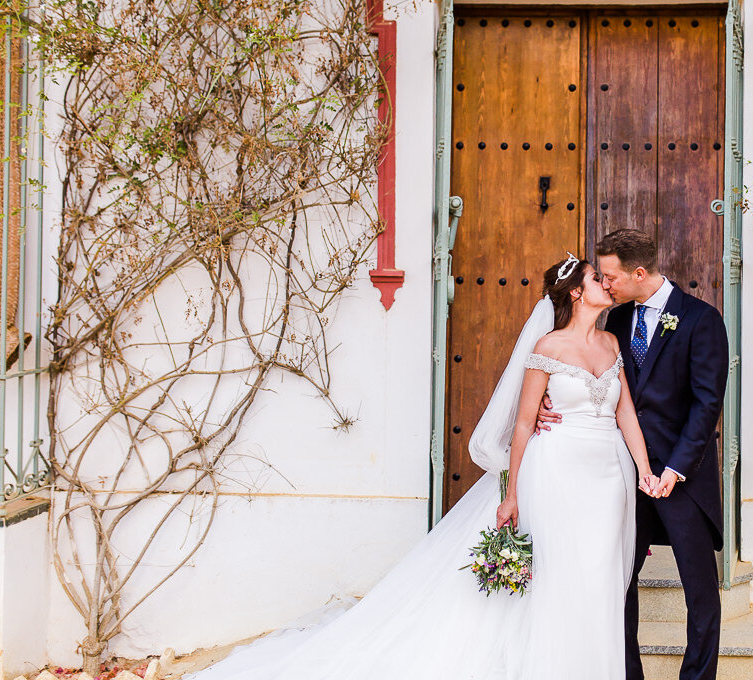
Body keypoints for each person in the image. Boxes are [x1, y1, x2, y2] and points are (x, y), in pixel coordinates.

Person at [180, 254, 659, 680]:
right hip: (554, 473)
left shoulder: (613, 345)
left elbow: (627, 416)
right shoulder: (550, 348)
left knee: (598, 578)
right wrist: (511, 494)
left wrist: (643, 471)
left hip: (605, 477)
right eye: (600, 279)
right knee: (559, 574)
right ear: (577, 292)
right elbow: (521, 426)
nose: (608, 286)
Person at [538, 229, 730, 680]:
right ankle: (627, 673)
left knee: (699, 591)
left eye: (609, 277)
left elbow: (707, 405)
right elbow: (596, 378)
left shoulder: (702, 320)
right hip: (622, 474)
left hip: (682, 478)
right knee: (619, 583)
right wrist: (553, 398)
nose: (605, 285)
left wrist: (675, 469)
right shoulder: (618, 322)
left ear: (638, 273)